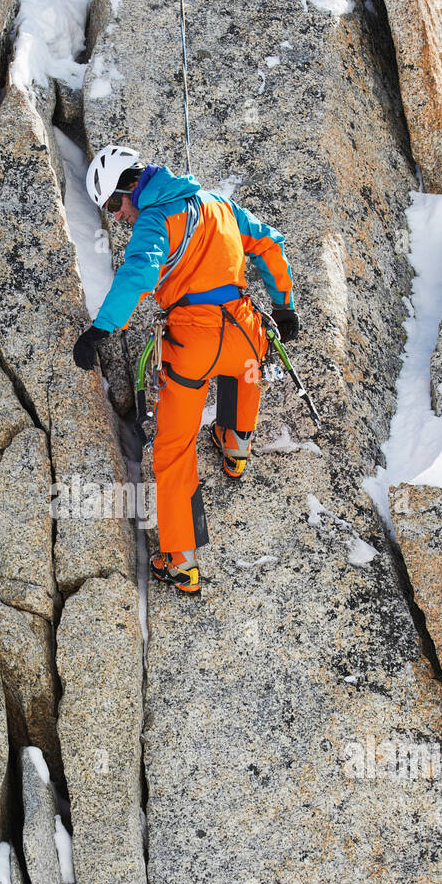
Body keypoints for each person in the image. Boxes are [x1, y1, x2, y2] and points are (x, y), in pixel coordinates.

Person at [73, 144, 297, 598]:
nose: (117, 218)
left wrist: (101, 330)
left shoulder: (156, 221)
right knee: (247, 369)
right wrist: (284, 304)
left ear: (131, 184)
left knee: (174, 450)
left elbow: (139, 275)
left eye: (115, 204)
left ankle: (182, 561)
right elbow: (269, 244)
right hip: (243, 330)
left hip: (191, 342)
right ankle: (236, 446)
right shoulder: (220, 205)